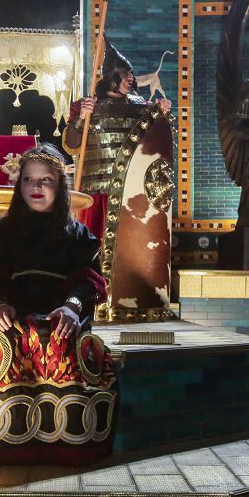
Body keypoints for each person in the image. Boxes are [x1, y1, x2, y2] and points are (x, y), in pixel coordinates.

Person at [0, 145, 116, 465]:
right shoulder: (4, 230)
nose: (36, 188)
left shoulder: (79, 235)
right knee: (12, 339)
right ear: (19, 184)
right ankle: (8, 443)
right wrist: (0, 304)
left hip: (60, 312)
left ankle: (66, 442)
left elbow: (88, 282)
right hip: (16, 311)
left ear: (59, 186)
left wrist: (72, 307)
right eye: (28, 180)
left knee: (56, 340)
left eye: (46, 180)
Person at [62, 41, 174, 319]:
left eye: (131, 74)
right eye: (125, 74)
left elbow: (154, 141)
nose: (130, 79)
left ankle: (126, 302)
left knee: (129, 251)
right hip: (94, 189)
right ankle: (89, 300)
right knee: (92, 248)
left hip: (131, 193)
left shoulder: (141, 106)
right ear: (110, 75)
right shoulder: (86, 105)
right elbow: (71, 145)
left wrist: (161, 112)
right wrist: (81, 120)